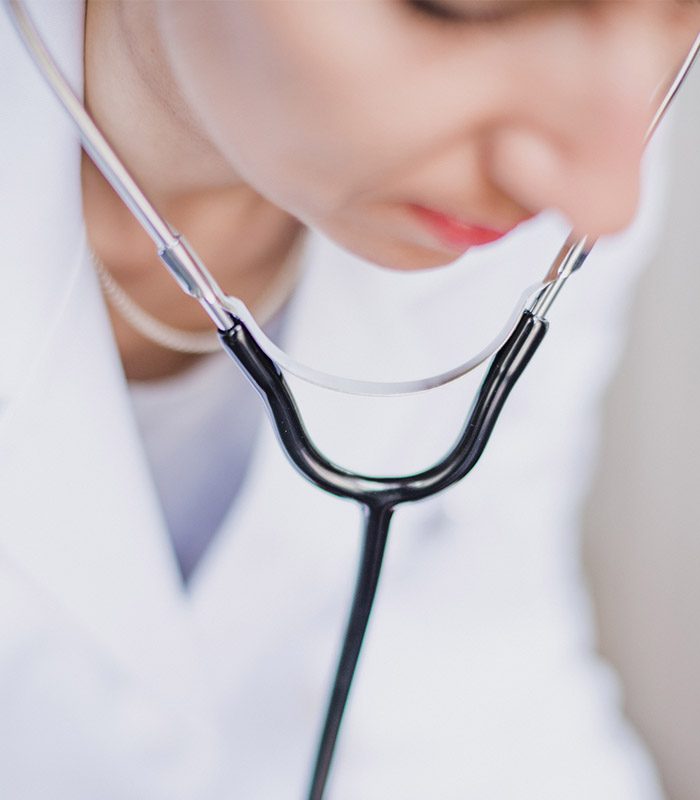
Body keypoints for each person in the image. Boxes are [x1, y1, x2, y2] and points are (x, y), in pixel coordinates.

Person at [0, 1, 697, 798]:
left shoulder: (562, 172)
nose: (609, 198)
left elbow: (473, 674)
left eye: (682, 18)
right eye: (467, 8)